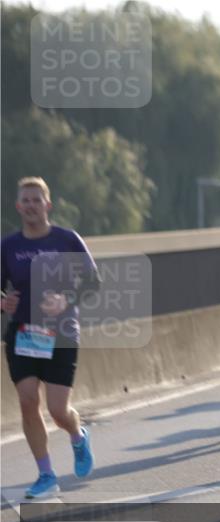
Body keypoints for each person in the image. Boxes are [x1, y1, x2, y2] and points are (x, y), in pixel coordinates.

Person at [1, 176, 99, 499]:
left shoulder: (67, 240)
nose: (30, 206)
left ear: (48, 205)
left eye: (36, 200)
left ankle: (77, 434)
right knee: (28, 401)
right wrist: (2, 302)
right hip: (24, 334)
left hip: (61, 334)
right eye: (25, 201)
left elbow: (92, 283)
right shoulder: (8, 247)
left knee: (58, 411)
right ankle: (46, 474)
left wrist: (66, 301)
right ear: (18, 207)